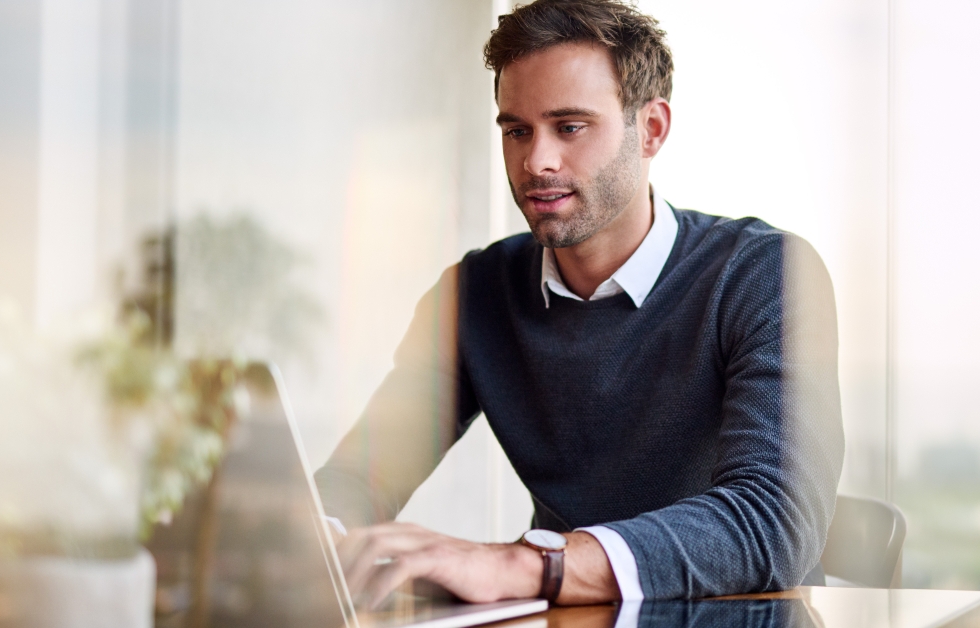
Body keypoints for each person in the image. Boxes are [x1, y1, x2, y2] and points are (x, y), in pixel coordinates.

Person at [314, 0, 844, 608]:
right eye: (516, 130)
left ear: (651, 130)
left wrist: (528, 565)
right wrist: (316, 539)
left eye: (569, 127)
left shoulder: (764, 273)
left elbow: (775, 521)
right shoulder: (475, 293)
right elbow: (362, 475)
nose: (536, 161)